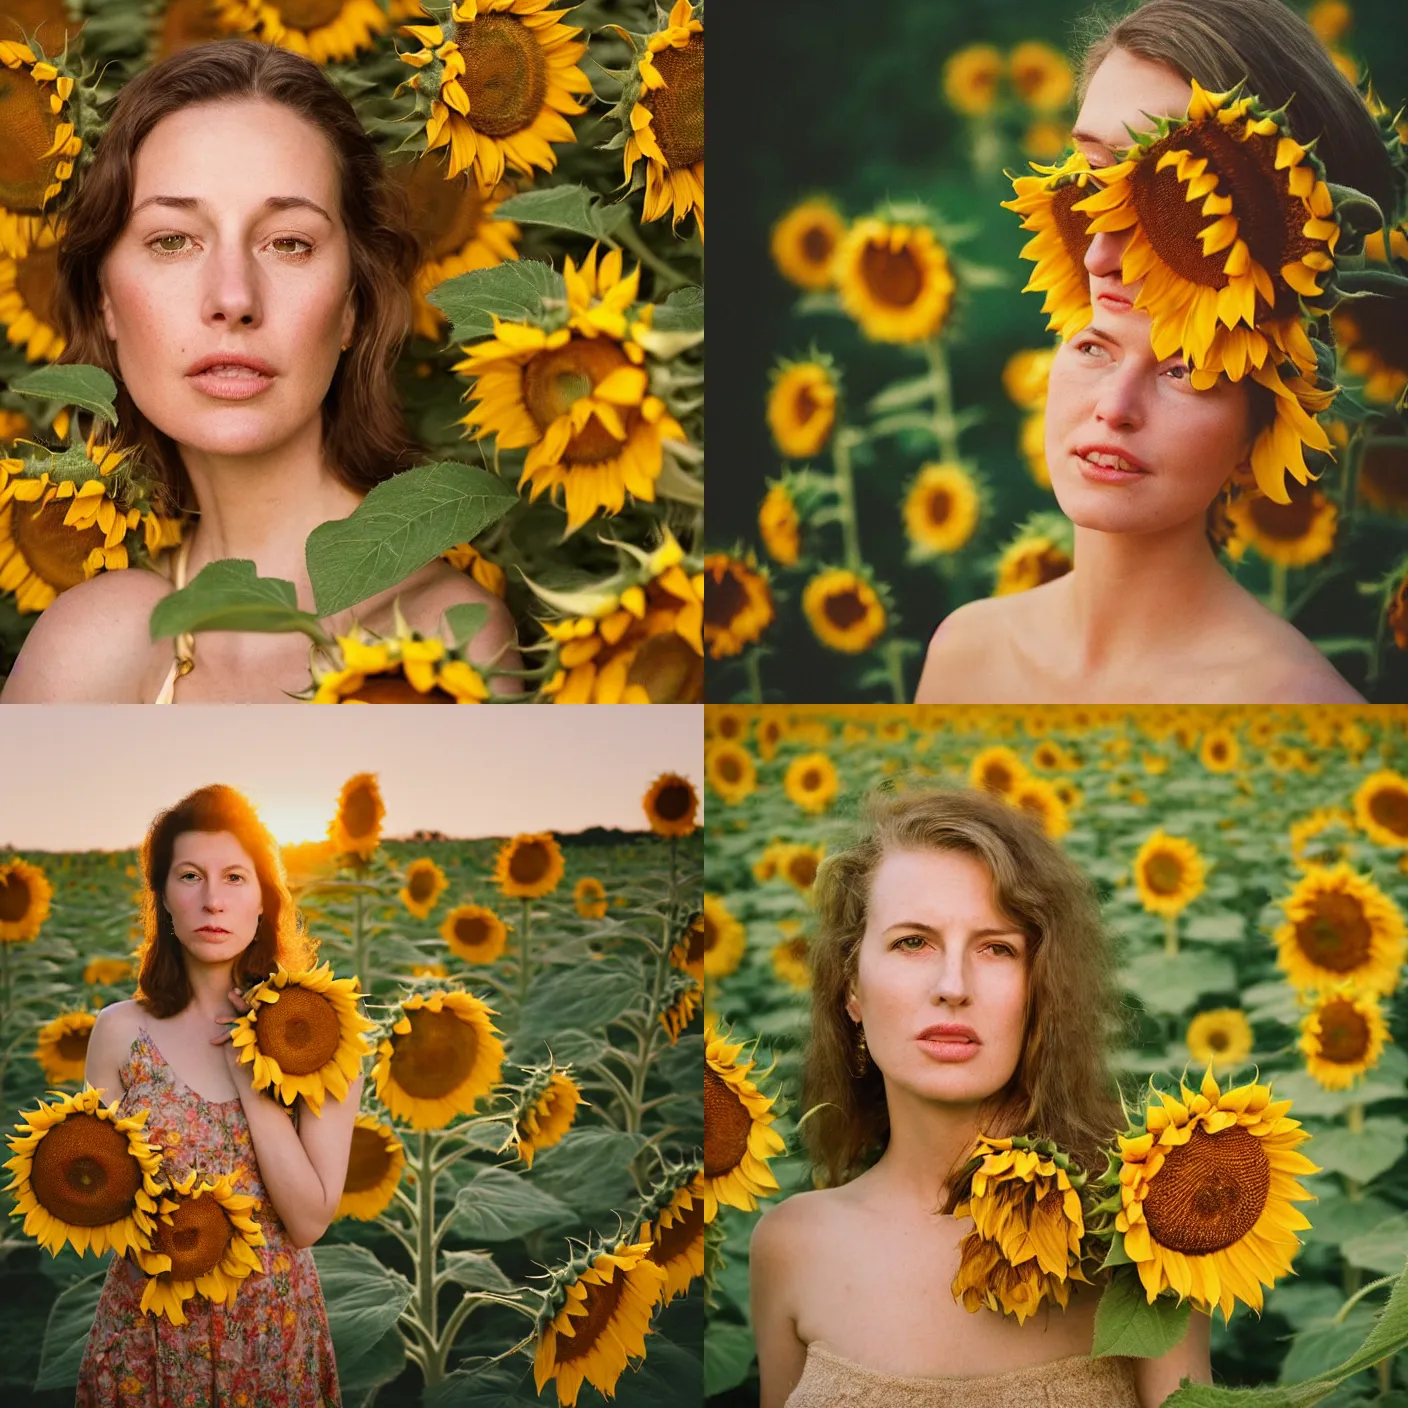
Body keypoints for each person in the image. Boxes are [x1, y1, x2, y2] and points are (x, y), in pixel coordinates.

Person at [1, 39, 517, 704]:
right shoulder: (94, 638)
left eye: (290, 243)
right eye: (171, 241)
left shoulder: (443, 642)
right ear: (105, 300)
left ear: (352, 307)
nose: (234, 299)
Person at [916, 0, 1391, 704]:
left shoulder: (1293, 706)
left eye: (1169, 194)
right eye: (1093, 170)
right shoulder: (965, 652)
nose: (1101, 253)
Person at [749, 788, 1211, 1408]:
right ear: (852, 987)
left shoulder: (1142, 1230)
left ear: (1041, 990)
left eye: (997, 948)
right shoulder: (790, 1245)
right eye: (913, 942)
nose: (952, 987)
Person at [79, 784, 359, 1404]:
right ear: (164, 901)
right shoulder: (122, 1033)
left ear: (264, 900)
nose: (212, 900)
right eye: (189, 876)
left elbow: (309, 1221)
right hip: (147, 1334)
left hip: (269, 1339)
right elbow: (93, 1195)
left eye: (235, 877)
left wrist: (249, 1078)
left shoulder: (320, 1042)